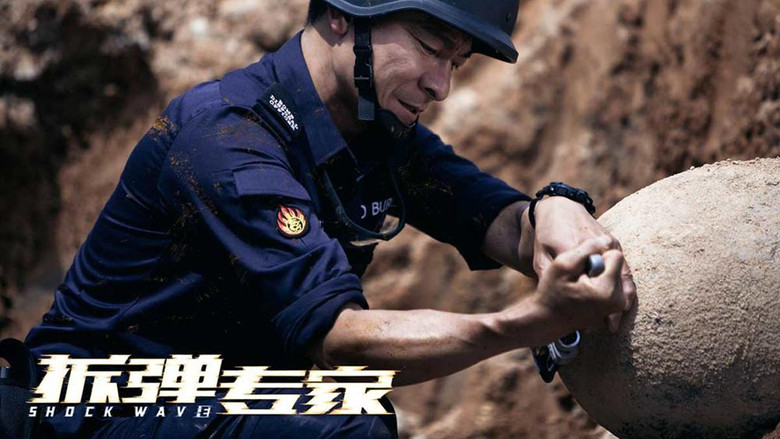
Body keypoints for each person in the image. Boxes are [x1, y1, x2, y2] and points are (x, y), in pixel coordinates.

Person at [24, 0, 636, 437]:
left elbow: (493, 216)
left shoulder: (376, 127)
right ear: (344, 14)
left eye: (457, 62)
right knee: (346, 418)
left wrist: (553, 208)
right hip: (91, 398)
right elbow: (342, 343)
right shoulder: (229, 138)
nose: (441, 85)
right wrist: (529, 322)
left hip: (206, 387)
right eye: (430, 48)